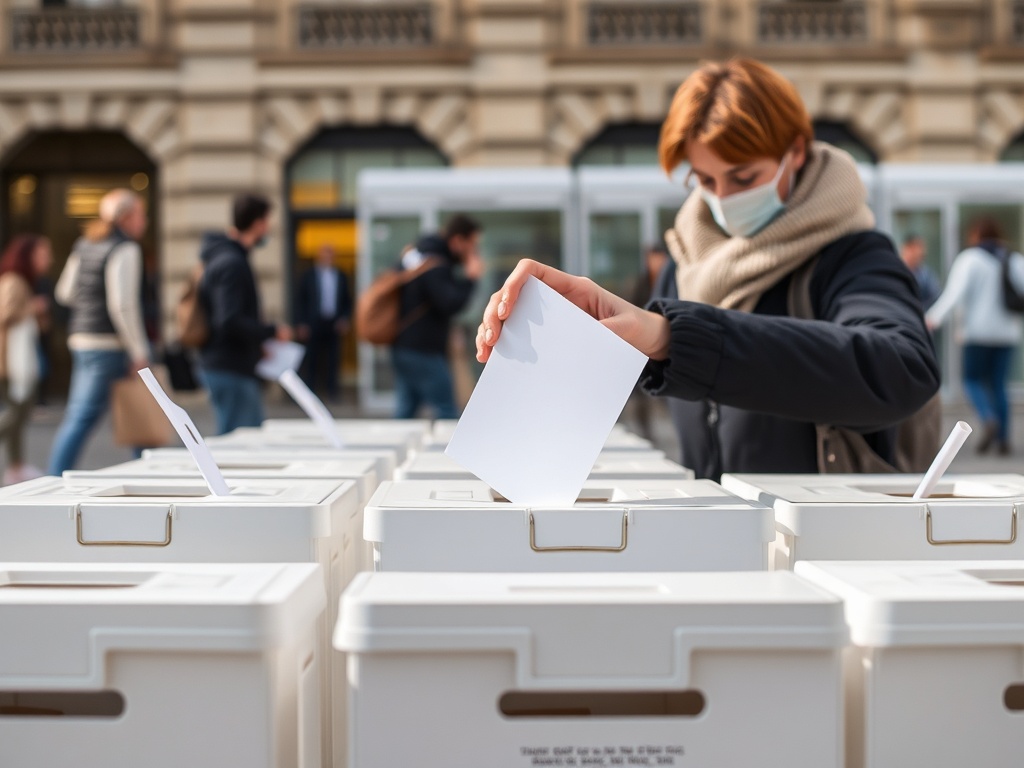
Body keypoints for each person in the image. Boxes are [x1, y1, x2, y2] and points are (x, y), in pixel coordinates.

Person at [475, 57, 939, 480]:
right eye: (704, 179)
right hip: (721, 539)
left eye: (744, 177)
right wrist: (551, 341)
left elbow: (902, 368)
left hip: (823, 543)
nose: (723, 196)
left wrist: (673, 337)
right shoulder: (685, 259)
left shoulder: (853, 254)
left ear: (795, 152)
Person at [48, 189, 151, 475]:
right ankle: (53, 478)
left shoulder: (85, 244)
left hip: (82, 340)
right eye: (142, 214)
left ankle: (147, 470)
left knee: (134, 414)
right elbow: (123, 305)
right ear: (127, 218)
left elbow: (64, 293)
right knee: (92, 415)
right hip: (109, 345)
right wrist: (139, 351)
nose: (145, 221)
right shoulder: (125, 248)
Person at [926, 218, 1024, 455]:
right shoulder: (1015, 259)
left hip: (977, 333)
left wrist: (932, 317)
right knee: (998, 384)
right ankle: (1003, 439)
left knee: (972, 380)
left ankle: (987, 417)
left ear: (976, 236)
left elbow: (953, 294)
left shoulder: (970, 259)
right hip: (1006, 333)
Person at [198, 193, 291, 435]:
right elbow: (229, 320)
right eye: (267, 221)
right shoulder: (232, 262)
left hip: (227, 365)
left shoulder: (226, 258)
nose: (268, 228)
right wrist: (271, 332)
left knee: (237, 439)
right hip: (230, 367)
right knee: (242, 442)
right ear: (258, 223)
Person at [392, 214, 484, 419]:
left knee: (405, 411)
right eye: (472, 244)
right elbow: (449, 303)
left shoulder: (421, 254)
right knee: (447, 409)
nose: (474, 251)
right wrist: (471, 279)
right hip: (422, 349)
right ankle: (455, 452)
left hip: (405, 346)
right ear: (458, 241)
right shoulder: (435, 264)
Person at [0, 235, 52, 483]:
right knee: (16, 412)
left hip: (17, 358)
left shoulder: (26, 282)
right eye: (42, 253)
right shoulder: (14, 281)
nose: (48, 259)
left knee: (17, 414)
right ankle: (16, 466)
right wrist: (33, 308)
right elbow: (6, 314)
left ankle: (16, 467)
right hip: (8, 360)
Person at [296, 244, 351, 402]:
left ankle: (332, 392)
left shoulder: (340, 275)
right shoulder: (309, 275)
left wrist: (344, 318)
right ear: (319, 256)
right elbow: (301, 300)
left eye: (331, 255)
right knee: (312, 358)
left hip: (333, 323)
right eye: (325, 254)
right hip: (313, 322)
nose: (328, 258)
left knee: (333, 358)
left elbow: (347, 300)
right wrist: (301, 323)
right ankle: (311, 392)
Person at [626, 244, 670, 440]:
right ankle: (645, 432)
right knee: (642, 393)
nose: (656, 261)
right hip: (642, 345)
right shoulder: (641, 283)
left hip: (665, 342)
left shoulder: (670, 280)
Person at [900, 234, 941, 310]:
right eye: (918, 248)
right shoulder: (896, 272)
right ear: (907, 249)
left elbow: (936, 298)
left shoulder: (926, 276)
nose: (923, 252)